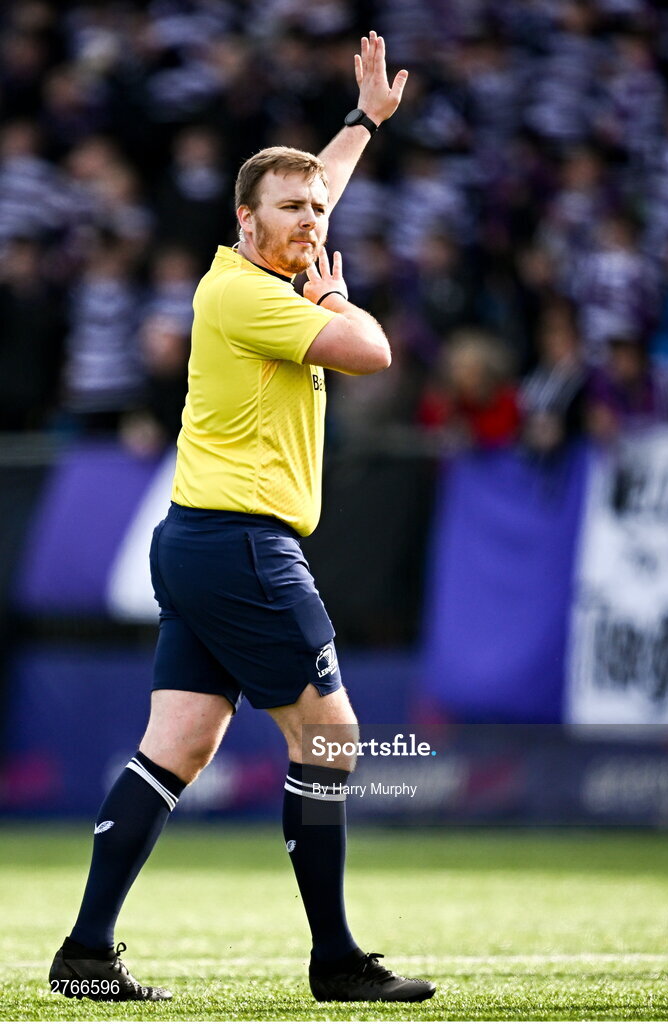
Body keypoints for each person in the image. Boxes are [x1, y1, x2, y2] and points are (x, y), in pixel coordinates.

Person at [48, 32, 435, 1006]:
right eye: (292, 210)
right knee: (334, 740)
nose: (312, 219)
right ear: (242, 219)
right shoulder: (249, 295)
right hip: (244, 545)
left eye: (318, 207)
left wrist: (359, 124)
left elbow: (312, 193)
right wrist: (340, 296)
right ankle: (336, 959)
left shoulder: (257, 267)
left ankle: (86, 951)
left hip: (198, 541)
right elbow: (372, 351)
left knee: (174, 747)